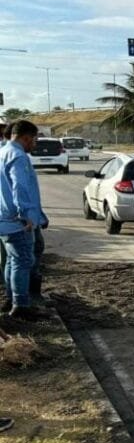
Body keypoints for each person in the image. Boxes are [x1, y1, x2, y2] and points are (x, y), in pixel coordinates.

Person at [0, 120, 44, 320]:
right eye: (34, 139)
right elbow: (20, 187)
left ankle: (11, 298)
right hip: (17, 220)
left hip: (4, 218)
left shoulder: (2, 152)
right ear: (26, 137)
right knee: (23, 260)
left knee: (12, 260)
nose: (35, 143)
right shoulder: (18, 156)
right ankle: (21, 305)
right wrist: (26, 214)